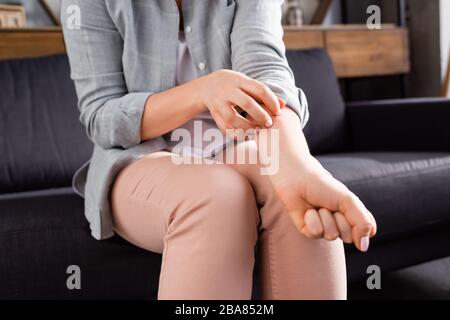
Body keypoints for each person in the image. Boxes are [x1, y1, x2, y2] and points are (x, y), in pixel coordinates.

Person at [62, 0, 377, 300]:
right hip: (137, 156)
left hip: (233, 146)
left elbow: (265, 69)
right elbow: (101, 116)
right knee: (217, 195)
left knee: (300, 197)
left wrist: (297, 167)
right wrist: (202, 91)